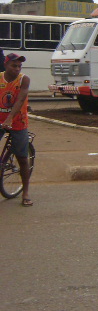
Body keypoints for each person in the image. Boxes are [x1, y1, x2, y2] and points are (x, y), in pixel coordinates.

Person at [0, 53, 32, 207]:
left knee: (22, 158)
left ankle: (25, 192)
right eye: (14, 65)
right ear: (6, 65)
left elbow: (21, 99)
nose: (17, 69)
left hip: (18, 121)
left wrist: (9, 118)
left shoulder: (23, 79)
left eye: (20, 66)